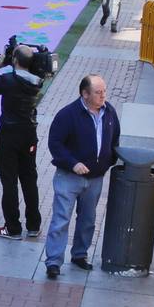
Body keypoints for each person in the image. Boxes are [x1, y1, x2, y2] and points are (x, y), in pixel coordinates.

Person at [43, 73, 120, 279]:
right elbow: (55, 144)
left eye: (104, 91)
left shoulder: (109, 112)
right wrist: (73, 163)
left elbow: (115, 139)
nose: (103, 96)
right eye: (98, 92)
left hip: (95, 178)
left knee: (88, 219)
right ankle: (53, 262)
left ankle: (79, 255)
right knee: (61, 219)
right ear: (84, 94)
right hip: (69, 177)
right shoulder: (67, 114)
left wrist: (107, 162)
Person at [0, 43, 45, 240]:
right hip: (29, 134)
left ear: (14, 60)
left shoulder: (7, 80)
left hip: (9, 136)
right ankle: (33, 225)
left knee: (9, 182)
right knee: (29, 179)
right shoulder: (37, 80)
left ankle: (13, 228)